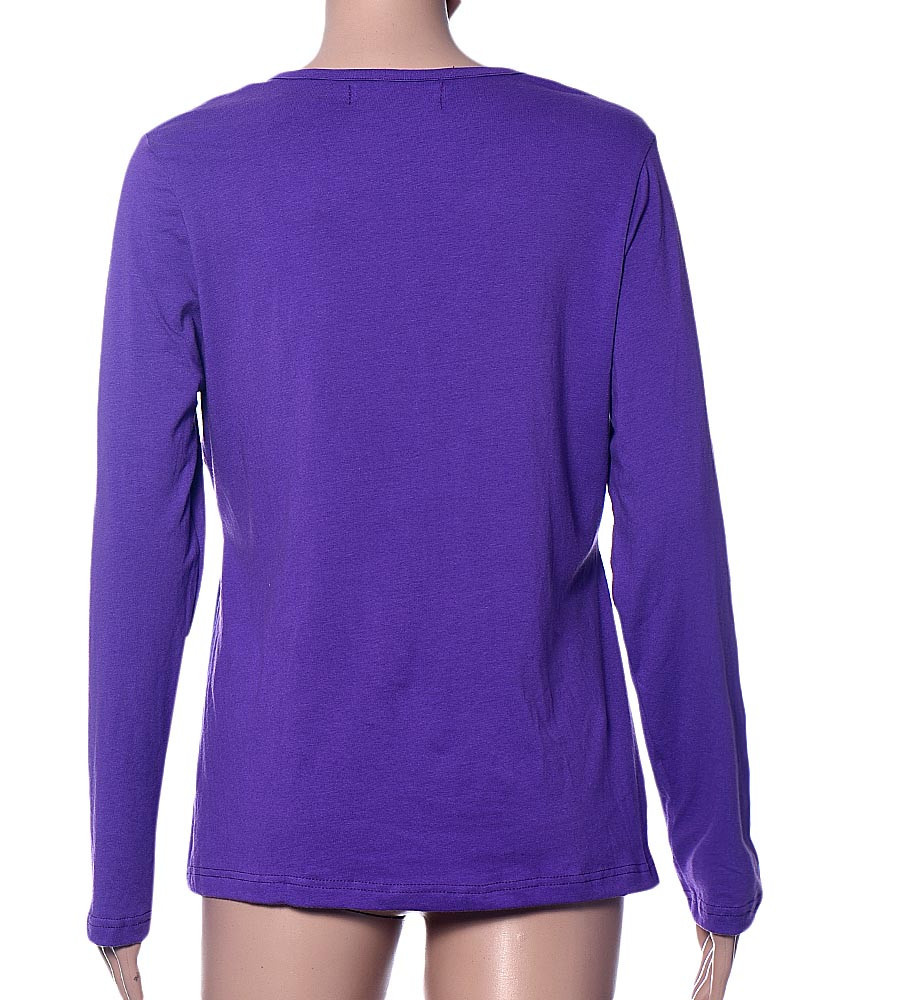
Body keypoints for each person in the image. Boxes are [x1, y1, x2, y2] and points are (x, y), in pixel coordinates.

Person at [86, 1, 763, 997]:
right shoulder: (600, 159)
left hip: (289, 791)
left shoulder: (188, 169)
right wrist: (719, 862)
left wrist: (118, 886)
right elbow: (671, 536)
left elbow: (141, 546)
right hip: (538, 777)